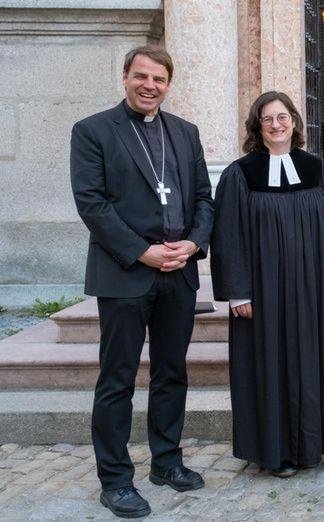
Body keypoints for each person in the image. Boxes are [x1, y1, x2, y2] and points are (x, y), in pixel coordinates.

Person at [70, 46, 213, 518]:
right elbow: (92, 204)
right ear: (125, 77)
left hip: (179, 272)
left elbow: (202, 198)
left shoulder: (186, 133)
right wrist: (141, 251)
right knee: (118, 379)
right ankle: (115, 480)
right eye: (141, 76)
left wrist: (192, 245)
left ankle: (166, 462)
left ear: (169, 84)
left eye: (159, 78)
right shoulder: (93, 131)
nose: (150, 85)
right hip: (126, 273)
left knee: (172, 373)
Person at [210, 91, 324, 478]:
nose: (277, 125)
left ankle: (313, 446)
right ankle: (274, 452)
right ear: (257, 128)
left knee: (313, 360)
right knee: (269, 363)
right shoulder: (240, 175)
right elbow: (228, 236)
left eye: (283, 117)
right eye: (268, 119)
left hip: (313, 286)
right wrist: (237, 291)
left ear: (294, 121)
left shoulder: (317, 170)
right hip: (264, 292)